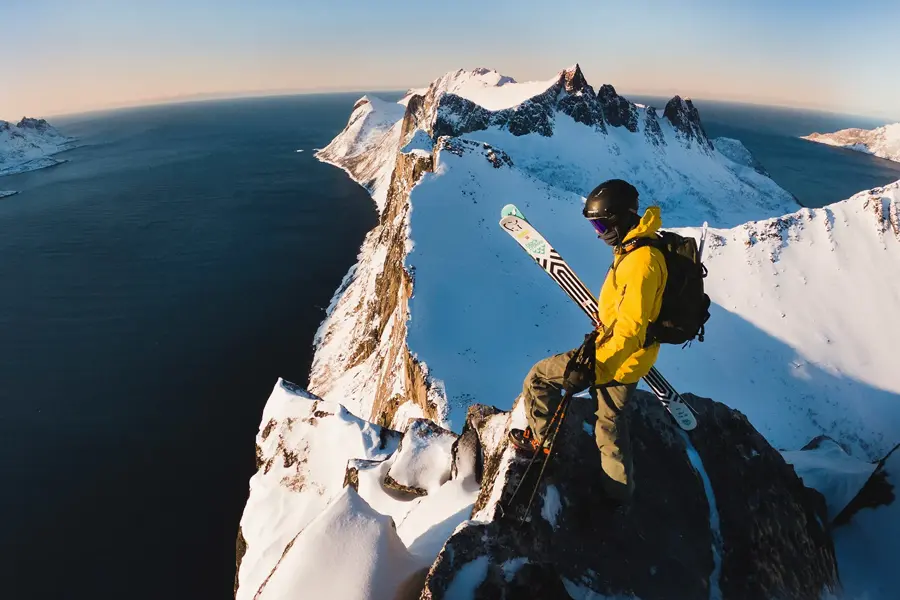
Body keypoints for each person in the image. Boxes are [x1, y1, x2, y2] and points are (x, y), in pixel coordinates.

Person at [508, 179, 668, 505]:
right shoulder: (635, 248)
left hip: (615, 357)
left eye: (600, 224)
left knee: (538, 379)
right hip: (623, 355)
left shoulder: (641, 262)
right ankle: (617, 495)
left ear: (620, 218)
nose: (597, 232)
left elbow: (631, 328)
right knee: (609, 427)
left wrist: (592, 368)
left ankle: (544, 445)